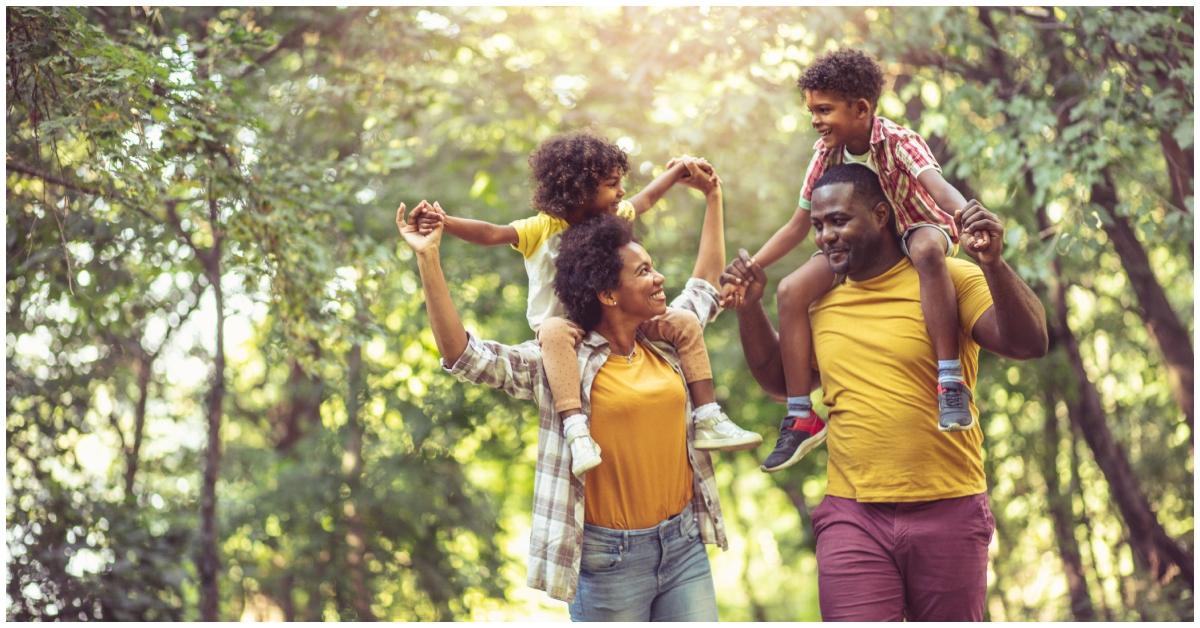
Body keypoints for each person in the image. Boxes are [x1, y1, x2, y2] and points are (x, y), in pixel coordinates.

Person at [397, 175, 733, 619]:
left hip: (684, 546)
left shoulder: (668, 340)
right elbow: (464, 355)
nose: (659, 279)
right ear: (608, 294)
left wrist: (713, 198)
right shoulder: (558, 363)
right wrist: (429, 259)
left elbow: (704, 286)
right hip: (610, 563)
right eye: (644, 272)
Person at [723, 163, 1047, 621]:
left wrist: (993, 263)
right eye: (817, 226)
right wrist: (751, 307)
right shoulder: (818, 301)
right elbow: (780, 384)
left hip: (949, 508)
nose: (825, 236)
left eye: (839, 220)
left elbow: (1028, 343)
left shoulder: (948, 278)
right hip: (853, 516)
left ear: (880, 214)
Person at [423, 131, 759, 478]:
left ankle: (708, 416)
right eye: (613, 184)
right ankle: (576, 429)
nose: (622, 192)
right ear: (579, 189)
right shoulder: (543, 228)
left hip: (610, 325)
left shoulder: (617, 232)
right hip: (561, 336)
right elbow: (491, 234)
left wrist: (684, 177)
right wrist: (442, 227)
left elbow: (648, 202)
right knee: (554, 330)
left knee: (685, 321)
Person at [727, 48, 983, 473]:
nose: (815, 119)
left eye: (824, 109)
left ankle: (950, 379)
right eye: (812, 110)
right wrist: (752, 266)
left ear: (861, 109)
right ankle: (799, 415)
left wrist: (969, 217)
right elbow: (797, 225)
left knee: (924, 251)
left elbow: (937, 188)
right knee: (791, 291)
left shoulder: (898, 142)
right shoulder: (826, 152)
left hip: (917, 226)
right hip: (861, 241)